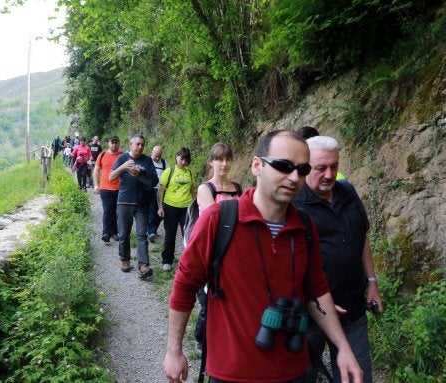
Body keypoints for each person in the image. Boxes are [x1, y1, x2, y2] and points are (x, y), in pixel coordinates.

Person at [164, 130, 363, 383]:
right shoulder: (219, 221)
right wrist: (174, 351)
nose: (293, 177)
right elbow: (184, 285)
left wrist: (343, 348)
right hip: (232, 374)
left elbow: (318, 290)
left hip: (293, 372)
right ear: (257, 165)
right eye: (283, 166)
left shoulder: (305, 227)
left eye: (302, 170)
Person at [294, 135, 382, 383]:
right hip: (308, 316)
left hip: (351, 306)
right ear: (305, 166)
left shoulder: (348, 192)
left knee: (357, 377)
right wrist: (317, 302)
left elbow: (361, 238)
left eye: (334, 166)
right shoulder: (293, 205)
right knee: (304, 376)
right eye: (320, 168)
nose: (329, 174)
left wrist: (372, 283)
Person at [193, 142, 242, 349]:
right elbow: (217, 219)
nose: (224, 164)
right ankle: (201, 338)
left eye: (227, 159)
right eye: (219, 159)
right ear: (211, 162)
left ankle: (224, 339)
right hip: (209, 251)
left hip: (232, 251)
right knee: (207, 298)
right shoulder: (205, 189)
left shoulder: (237, 188)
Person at [109, 134, 159, 279]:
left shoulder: (147, 160)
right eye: (137, 144)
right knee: (124, 234)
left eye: (142, 145)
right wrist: (123, 167)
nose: (140, 147)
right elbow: (111, 177)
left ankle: (143, 265)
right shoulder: (122, 158)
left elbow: (155, 179)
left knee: (141, 235)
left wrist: (141, 172)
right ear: (130, 144)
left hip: (142, 204)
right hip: (124, 201)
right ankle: (125, 260)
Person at [156, 147, 194, 271]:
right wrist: (160, 207)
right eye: (181, 158)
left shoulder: (189, 172)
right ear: (177, 156)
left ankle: (189, 262)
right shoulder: (169, 171)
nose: (183, 162)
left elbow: (192, 189)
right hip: (170, 207)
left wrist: (194, 205)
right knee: (170, 235)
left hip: (186, 208)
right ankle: (167, 261)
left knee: (188, 235)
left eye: (186, 160)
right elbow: (161, 191)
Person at [93, 136, 123, 242]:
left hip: (120, 188)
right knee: (107, 210)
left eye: (116, 142)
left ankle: (114, 232)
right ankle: (106, 232)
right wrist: (96, 184)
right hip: (105, 187)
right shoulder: (102, 155)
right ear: (108, 143)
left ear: (119, 143)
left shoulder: (123, 156)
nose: (114, 145)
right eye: (112, 142)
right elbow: (96, 170)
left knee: (116, 211)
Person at [147, 146, 169, 242]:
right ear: (152, 153)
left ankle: (153, 230)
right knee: (152, 211)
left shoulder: (164, 163)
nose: (156, 158)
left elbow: (169, 174)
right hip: (150, 190)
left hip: (161, 190)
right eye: (155, 156)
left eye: (158, 156)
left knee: (161, 212)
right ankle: (150, 232)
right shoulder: (147, 161)